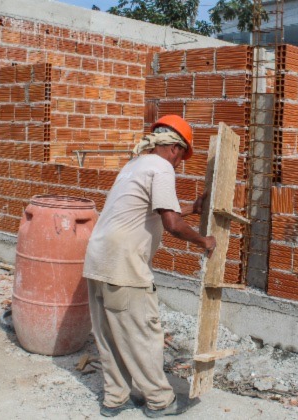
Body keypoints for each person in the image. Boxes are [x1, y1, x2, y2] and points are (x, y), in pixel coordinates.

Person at [83, 115, 217, 418]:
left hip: (97, 259)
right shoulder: (162, 167)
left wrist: (191, 209)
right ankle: (160, 401)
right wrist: (204, 241)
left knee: (109, 334)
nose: (180, 163)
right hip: (124, 264)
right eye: (182, 157)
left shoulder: (135, 165)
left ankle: (115, 398)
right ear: (175, 148)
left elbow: (147, 210)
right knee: (142, 333)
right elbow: (171, 224)